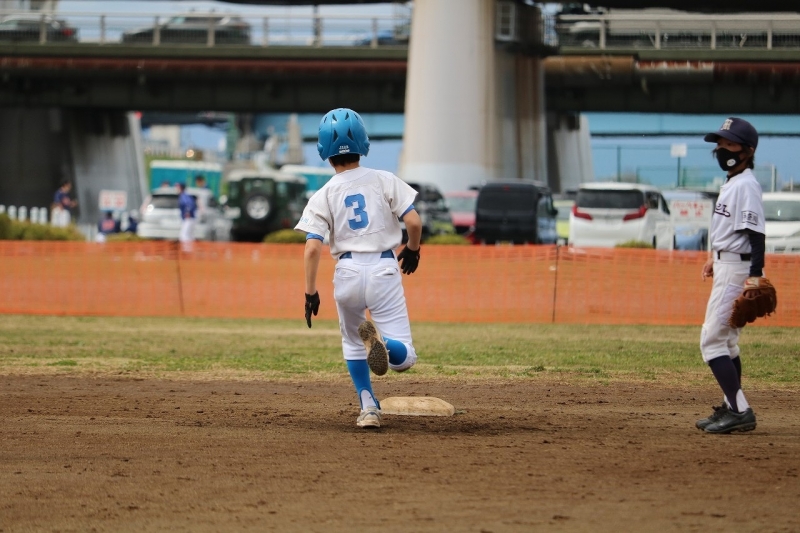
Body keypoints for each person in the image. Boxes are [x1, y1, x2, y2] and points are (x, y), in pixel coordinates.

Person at [294, 107, 423, 429]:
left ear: (324, 151)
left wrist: (310, 293)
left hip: (347, 271)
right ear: (363, 143)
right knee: (404, 358)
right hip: (383, 267)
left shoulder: (323, 194)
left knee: (353, 344)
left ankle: (368, 408)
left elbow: (312, 248)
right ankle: (383, 343)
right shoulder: (384, 180)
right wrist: (413, 248)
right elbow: (413, 221)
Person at [696, 117, 764, 434]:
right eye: (721, 143)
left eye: (731, 144)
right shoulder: (733, 182)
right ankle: (731, 404)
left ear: (748, 151)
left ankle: (739, 411)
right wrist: (715, 257)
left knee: (711, 341)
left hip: (737, 269)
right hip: (728, 264)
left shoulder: (746, 184)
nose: (723, 149)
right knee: (728, 343)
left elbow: (756, 236)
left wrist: (755, 276)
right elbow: (731, 230)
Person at [177, 183, 197, 251]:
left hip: (188, 218)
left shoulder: (184, 196)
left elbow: (189, 204)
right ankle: (190, 250)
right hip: (190, 218)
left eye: (178, 187)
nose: (176, 189)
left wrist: (187, 212)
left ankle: (186, 251)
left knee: (184, 235)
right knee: (190, 235)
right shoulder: (185, 195)